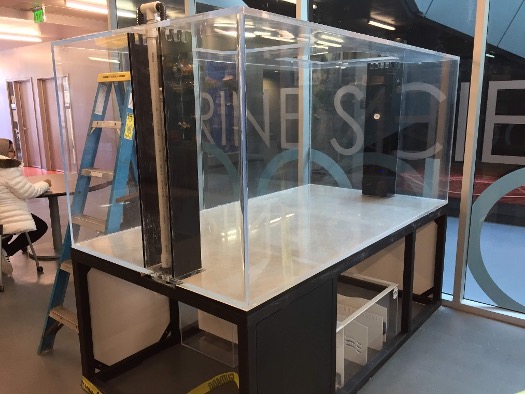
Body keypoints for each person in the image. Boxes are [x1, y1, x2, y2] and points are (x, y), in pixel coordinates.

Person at [0, 138, 51, 275]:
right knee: (39, 227)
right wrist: (45, 183)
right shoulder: (7, 170)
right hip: (5, 218)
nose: (14, 154)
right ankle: (6, 252)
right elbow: (29, 192)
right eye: (10, 150)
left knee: (8, 232)